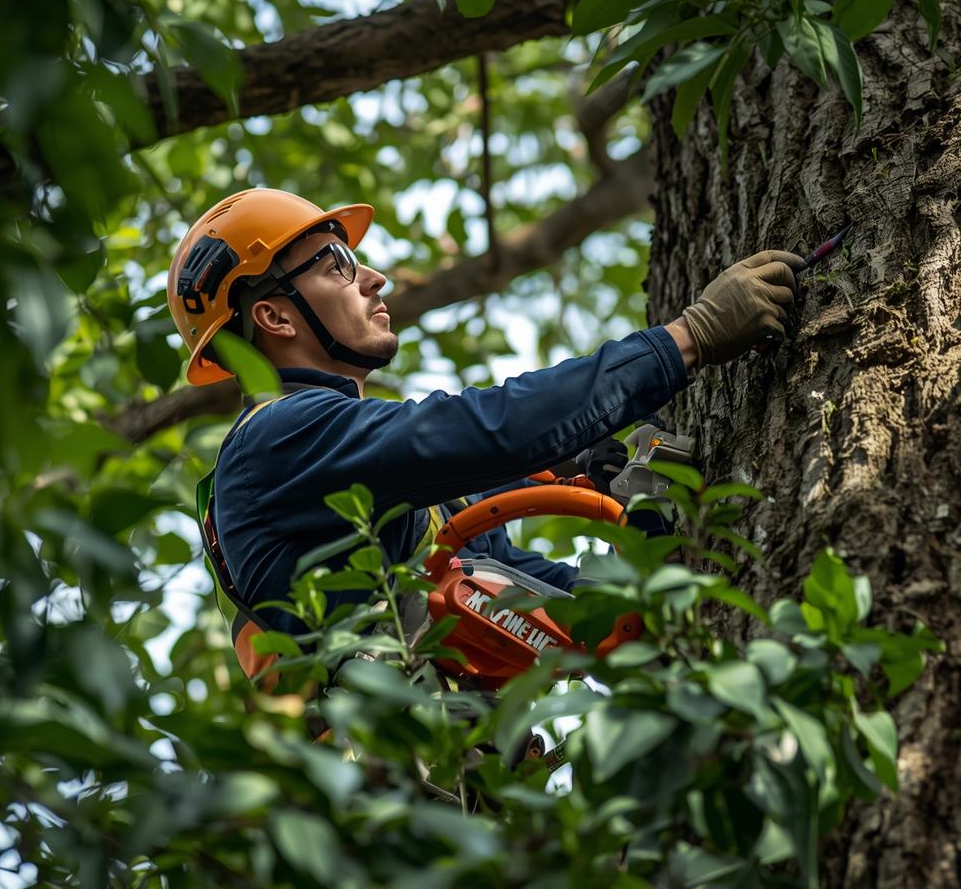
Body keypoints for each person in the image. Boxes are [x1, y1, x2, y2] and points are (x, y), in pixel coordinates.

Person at [169, 187, 801, 667]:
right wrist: (686, 340)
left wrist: (642, 521)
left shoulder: (416, 518)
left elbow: (590, 622)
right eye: (336, 263)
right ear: (276, 318)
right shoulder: (277, 440)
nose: (373, 277)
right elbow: (482, 429)